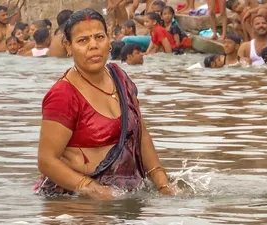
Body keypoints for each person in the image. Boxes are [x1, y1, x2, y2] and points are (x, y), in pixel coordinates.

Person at [34, 8, 175, 199]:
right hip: (75, 204)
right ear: (68, 46)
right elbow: (46, 161)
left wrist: (161, 181)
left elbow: (140, 133)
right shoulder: (64, 94)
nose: (93, 45)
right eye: (83, 40)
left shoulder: (119, 77)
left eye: (99, 37)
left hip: (123, 195)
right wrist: (93, 189)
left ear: (109, 41)